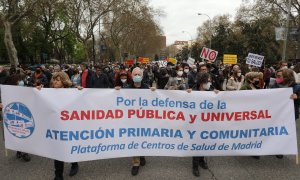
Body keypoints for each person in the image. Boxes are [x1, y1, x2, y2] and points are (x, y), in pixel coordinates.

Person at [36, 72, 79, 180]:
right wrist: (38, 91)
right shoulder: (47, 92)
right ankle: (58, 175)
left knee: (69, 147)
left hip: (69, 126)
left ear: (64, 81)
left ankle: (74, 164)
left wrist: (81, 91)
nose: (55, 81)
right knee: (58, 151)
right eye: (54, 79)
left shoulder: (73, 92)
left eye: (58, 80)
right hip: (55, 127)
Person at [190, 72, 217, 177]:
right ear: (202, 82)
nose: (210, 83)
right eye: (208, 81)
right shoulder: (193, 91)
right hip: (196, 123)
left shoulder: (210, 91)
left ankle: (201, 160)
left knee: (204, 143)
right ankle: (195, 165)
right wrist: (187, 94)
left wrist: (217, 94)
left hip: (207, 123)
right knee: (197, 144)